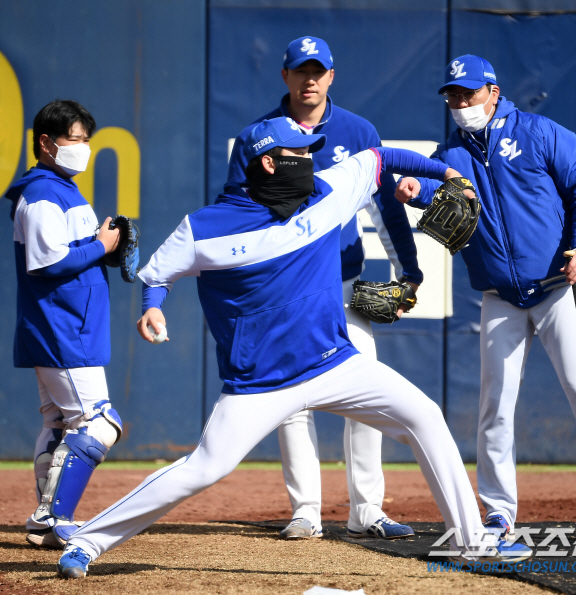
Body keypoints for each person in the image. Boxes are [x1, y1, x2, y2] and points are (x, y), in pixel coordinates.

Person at [56, 117, 533, 579]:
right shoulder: (205, 227)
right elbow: (158, 274)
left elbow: (380, 157)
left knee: (424, 415)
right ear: (269, 163)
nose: (310, 160)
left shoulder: (328, 191)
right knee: (203, 468)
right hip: (260, 384)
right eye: (300, 152)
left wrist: (447, 173)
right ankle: (87, 541)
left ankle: (470, 542)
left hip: (335, 363)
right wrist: (152, 307)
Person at [395, 54, 576, 545]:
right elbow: (436, 187)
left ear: (494, 92)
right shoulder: (451, 152)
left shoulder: (541, 133)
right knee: (495, 408)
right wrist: (415, 190)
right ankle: (499, 513)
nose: (460, 102)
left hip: (557, 286)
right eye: (453, 95)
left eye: (469, 93)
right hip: (500, 294)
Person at [227, 36, 422, 540]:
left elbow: (386, 208)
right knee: (292, 399)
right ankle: (306, 511)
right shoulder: (256, 137)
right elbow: (236, 211)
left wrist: (409, 272)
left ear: (331, 76)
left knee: (367, 393)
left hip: (343, 281)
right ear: (285, 76)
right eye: (301, 70)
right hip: (285, 289)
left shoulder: (358, 131)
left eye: (318, 71)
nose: (309, 79)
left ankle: (367, 510)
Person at [5, 100, 124, 550]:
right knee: (99, 422)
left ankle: (46, 523)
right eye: (74, 139)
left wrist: (100, 247)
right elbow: (47, 262)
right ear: (46, 143)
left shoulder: (62, 189)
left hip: (67, 324)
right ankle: (52, 515)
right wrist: (101, 246)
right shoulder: (41, 194)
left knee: (59, 423)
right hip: (62, 327)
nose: (83, 147)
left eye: (86, 139)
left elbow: (68, 253)